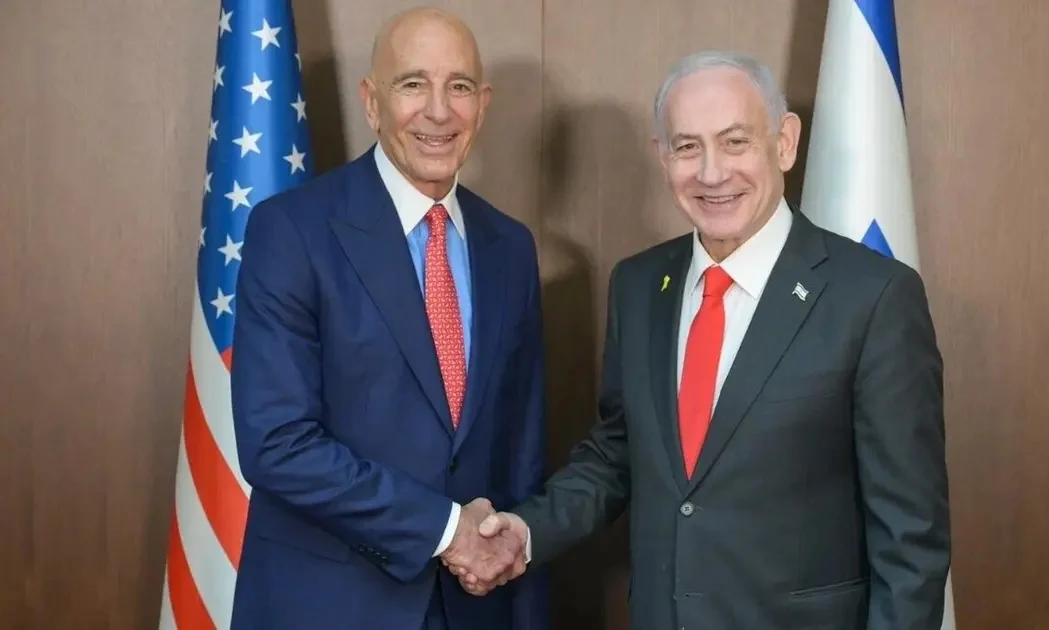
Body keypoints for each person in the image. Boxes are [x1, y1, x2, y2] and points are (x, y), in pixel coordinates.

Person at [449, 50, 951, 629]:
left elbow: (911, 543)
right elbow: (618, 455)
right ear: (663, 158)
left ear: (785, 143)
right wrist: (526, 531)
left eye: (735, 142)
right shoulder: (639, 286)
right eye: (688, 146)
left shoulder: (874, 297)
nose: (712, 173)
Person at [228, 7, 544, 630]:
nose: (438, 111)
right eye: (412, 84)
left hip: (476, 607)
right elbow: (276, 443)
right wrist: (446, 529)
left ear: (482, 105)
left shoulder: (510, 246)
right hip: (328, 608)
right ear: (372, 102)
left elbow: (522, 455)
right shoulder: (291, 230)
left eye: (458, 87)